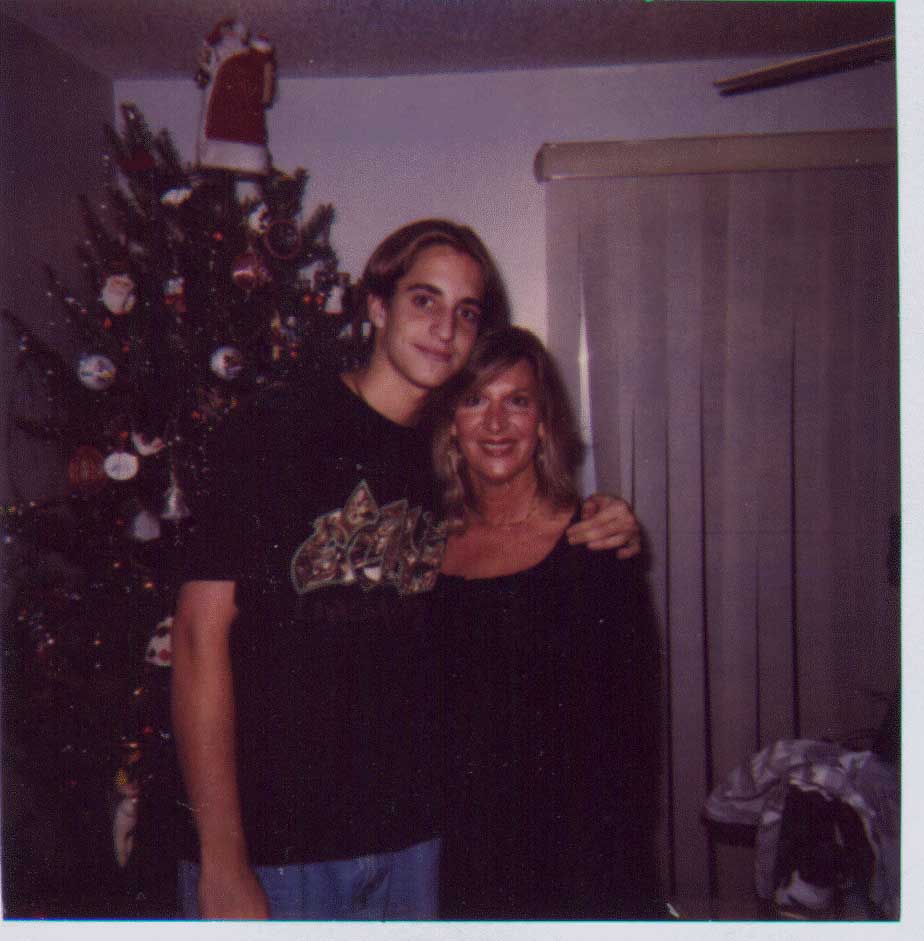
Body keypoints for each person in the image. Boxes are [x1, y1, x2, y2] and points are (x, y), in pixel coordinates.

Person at [171, 220, 641, 920]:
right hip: (276, 850)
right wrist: (222, 857)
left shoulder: (444, 453)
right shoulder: (274, 430)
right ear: (377, 306)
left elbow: (517, 530)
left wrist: (606, 514)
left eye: (466, 312)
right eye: (425, 301)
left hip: (413, 845)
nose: (445, 329)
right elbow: (195, 639)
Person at [432, 326, 662, 919]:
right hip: (455, 862)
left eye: (518, 401)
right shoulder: (424, 551)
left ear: (543, 424)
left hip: (572, 868)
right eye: (475, 400)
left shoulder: (596, 546)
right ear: (452, 424)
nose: (496, 423)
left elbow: (630, 750)